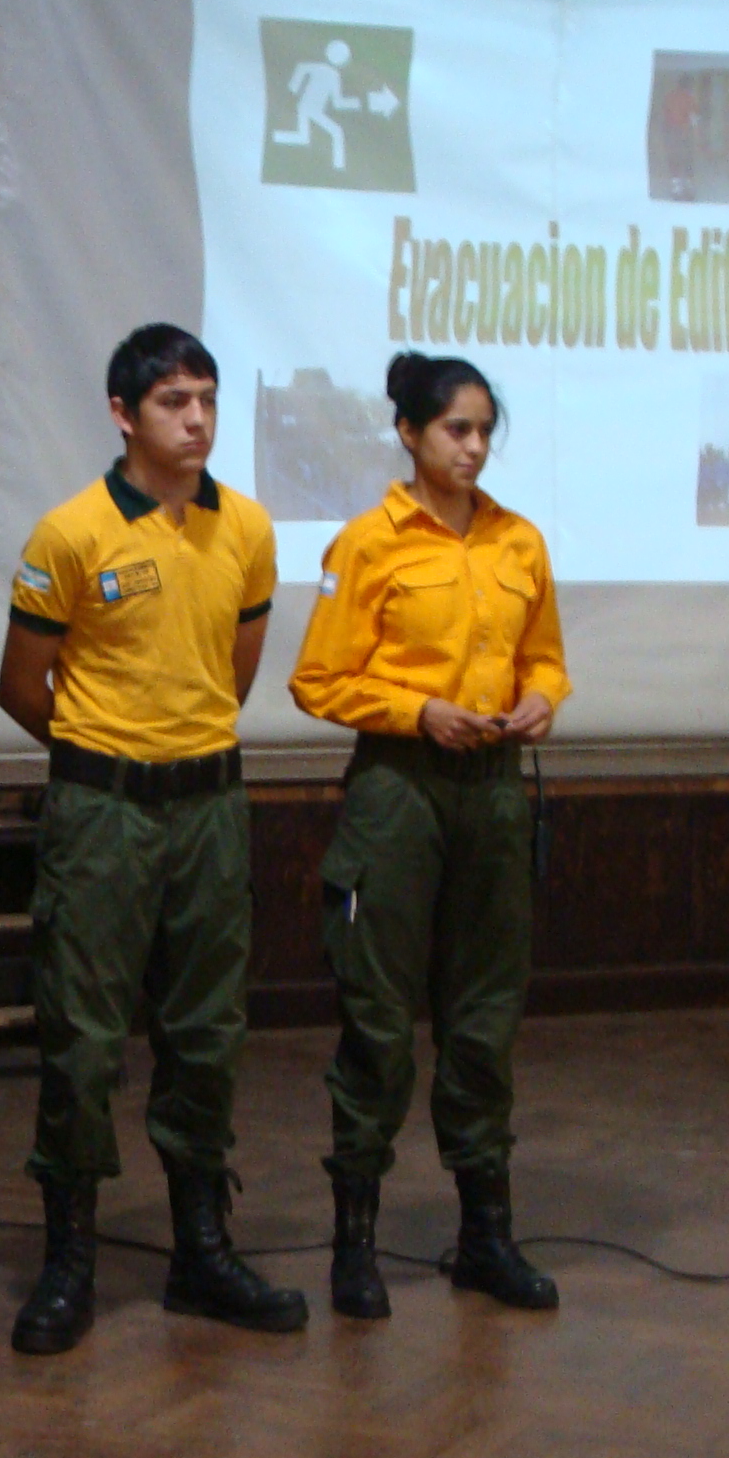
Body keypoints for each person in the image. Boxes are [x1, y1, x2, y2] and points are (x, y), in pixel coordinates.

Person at [0, 322, 307, 1354]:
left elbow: (236, 669)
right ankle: (69, 1260)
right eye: (176, 402)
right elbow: (21, 685)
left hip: (209, 809)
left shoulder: (249, 528)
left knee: (206, 1033)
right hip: (103, 815)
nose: (198, 420)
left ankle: (201, 1252)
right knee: (83, 1042)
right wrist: (106, 759)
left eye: (209, 400)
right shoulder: (71, 532)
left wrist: (178, 751)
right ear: (125, 415)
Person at [287, 351, 569, 1321]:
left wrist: (539, 701)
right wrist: (417, 712)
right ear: (408, 433)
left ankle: (485, 1234)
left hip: (493, 793)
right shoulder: (366, 545)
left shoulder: (520, 542)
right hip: (401, 790)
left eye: (487, 429)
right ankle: (354, 1246)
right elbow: (317, 681)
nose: (475, 446)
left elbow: (548, 662)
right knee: (377, 1021)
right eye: (457, 428)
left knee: (484, 1019)